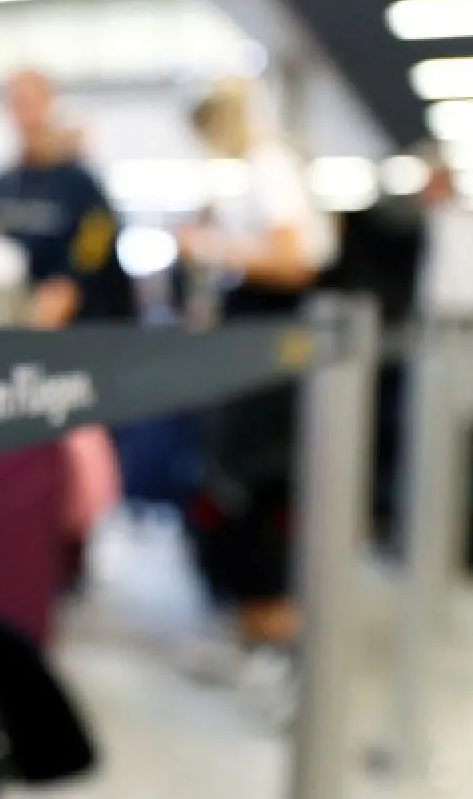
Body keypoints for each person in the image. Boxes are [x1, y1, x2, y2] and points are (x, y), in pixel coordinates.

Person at [175, 77, 335, 720]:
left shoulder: (268, 166)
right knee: (237, 493)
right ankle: (252, 630)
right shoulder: (258, 169)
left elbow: (294, 261)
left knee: (261, 492)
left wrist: (212, 247)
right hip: (258, 347)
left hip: (271, 350)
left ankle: (278, 649)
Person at [0, 69, 135, 328]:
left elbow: (99, 236)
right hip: (20, 316)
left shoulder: (79, 181)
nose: (25, 113)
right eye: (16, 103)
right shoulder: (0, 186)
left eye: (30, 102)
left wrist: (68, 284)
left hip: (85, 321)